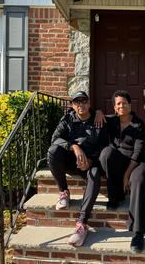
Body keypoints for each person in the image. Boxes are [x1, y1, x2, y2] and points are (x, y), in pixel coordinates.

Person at [97, 90, 145, 253]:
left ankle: (138, 232)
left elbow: (137, 153)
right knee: (106, 153)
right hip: (120, 160)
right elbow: (93, 114)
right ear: (114, 107)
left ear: (130, 105)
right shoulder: (110, 121)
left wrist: (126, 176)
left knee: (139, 180)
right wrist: (98, 112)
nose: (121, 106)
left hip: (138, 163)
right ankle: (115, 196)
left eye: (124, 103)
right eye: (118, 104)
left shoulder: (138, 124)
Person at [47, 91, 107, 247]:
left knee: (95, 174)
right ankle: (64, 193)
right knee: (53, 151)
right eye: (77, 102)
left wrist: (91, 161)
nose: (81, 105)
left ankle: (82, 223)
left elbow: (104, 146)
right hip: (71, 162)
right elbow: (55, 139)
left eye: (84, 101)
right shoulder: (67, 119)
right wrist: (73, 146)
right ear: (73, 105)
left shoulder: (98, 120)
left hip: (89, 164)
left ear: (89, 103)